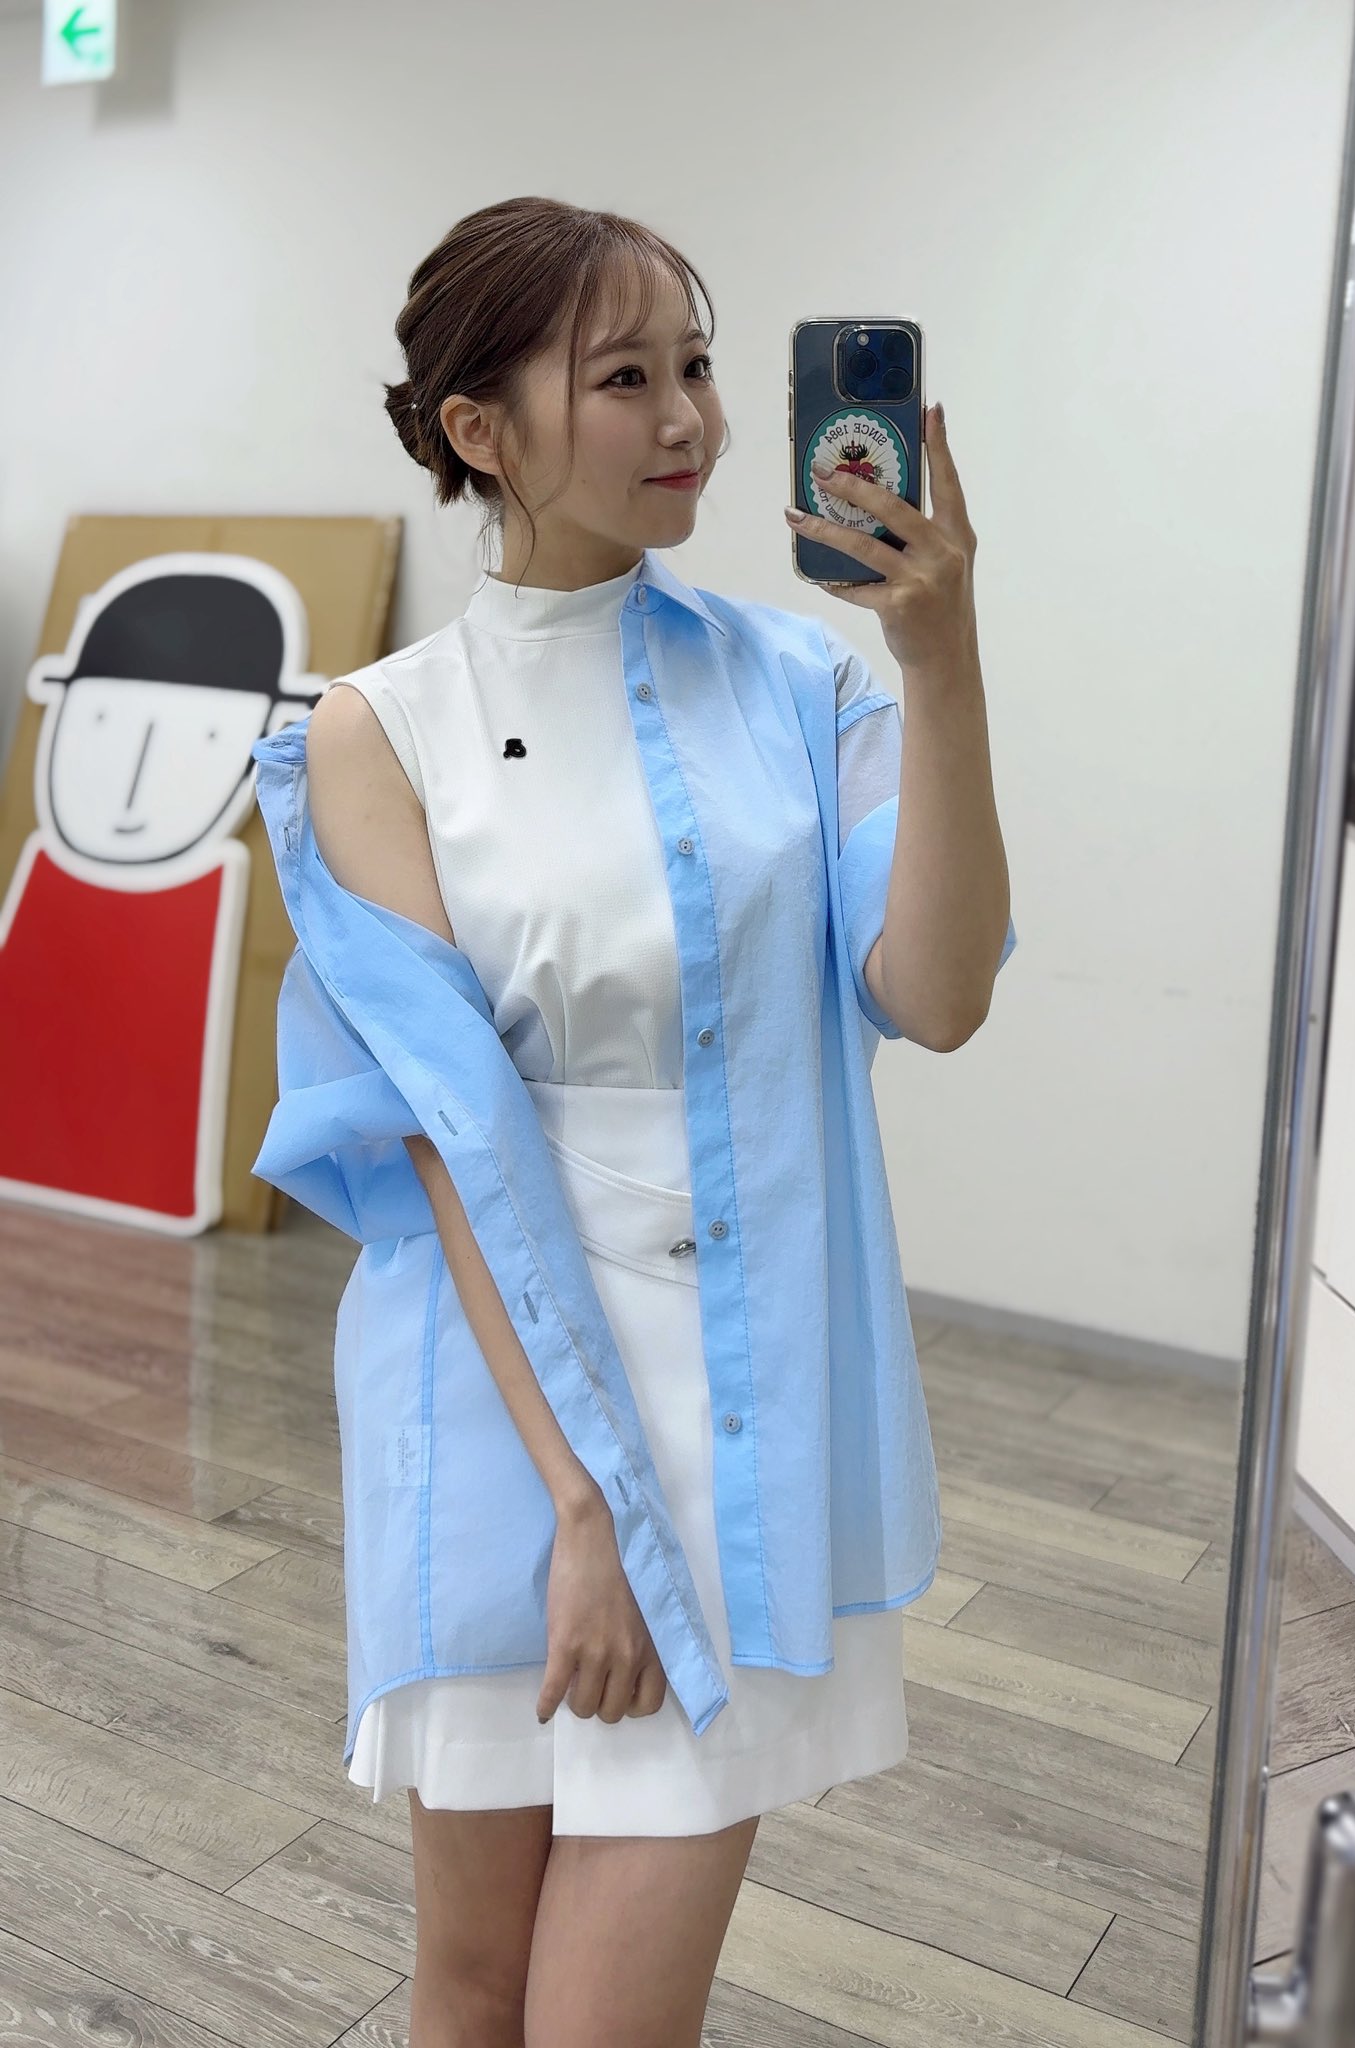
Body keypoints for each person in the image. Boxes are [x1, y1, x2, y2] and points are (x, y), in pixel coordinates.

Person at [288, 196, 1012, 2048]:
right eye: (624, 379)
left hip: (740, 1408)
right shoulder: (378, 731)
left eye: (697, 365)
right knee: (470, 1988)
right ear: (480, 429)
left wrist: (941, 662)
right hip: (496, 1405)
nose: (689, 417)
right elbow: (451, 1137)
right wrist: (582, 1504)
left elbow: (937, 994)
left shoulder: (804, 683)